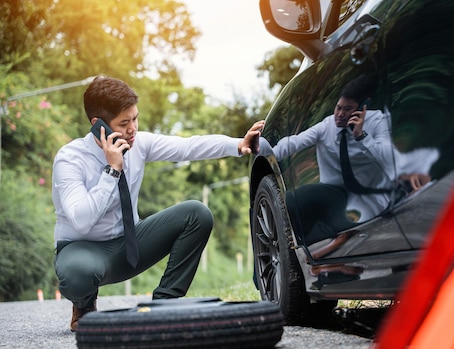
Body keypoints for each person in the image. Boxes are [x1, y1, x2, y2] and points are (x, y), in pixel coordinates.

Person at [52, 76, 264, 331]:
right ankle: (84, 307)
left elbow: (188, 147)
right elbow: (81, 221)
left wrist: (237, 145)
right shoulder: (70, 159)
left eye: (135, 118)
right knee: (78, 273)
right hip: (84, 251)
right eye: (124, 122)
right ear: (99, 125)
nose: (133, 129)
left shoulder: (138, 143)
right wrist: (112, 170)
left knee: (197, 214)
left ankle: (164, 305)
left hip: (129, 243)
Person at [272, 75, 433, 243]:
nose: (340, 114)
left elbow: (389, 159)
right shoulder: (327, 126)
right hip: (333, 193)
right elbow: (294, 143)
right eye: (338, 108)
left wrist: (362, 137)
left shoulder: (377, 121)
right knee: (295, 200)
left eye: (347, 109)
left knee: (365, 229)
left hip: (370, 194)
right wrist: (269, 156)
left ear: (363, 107)